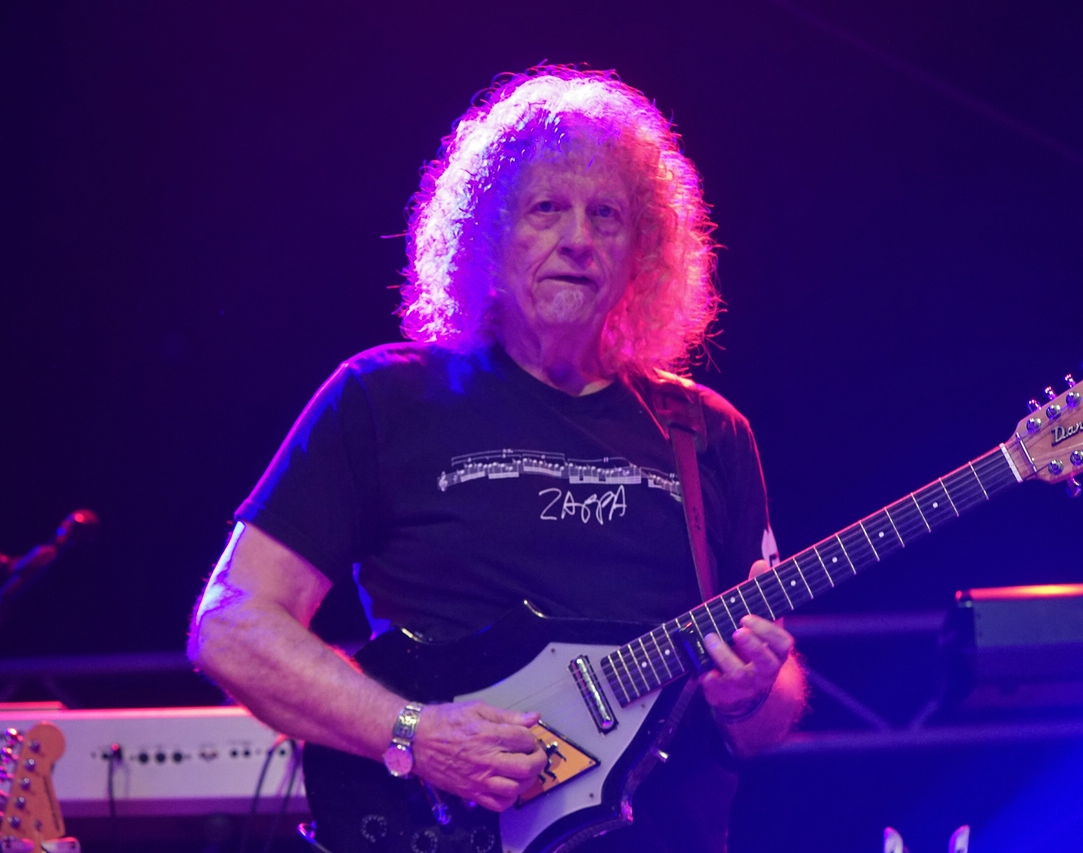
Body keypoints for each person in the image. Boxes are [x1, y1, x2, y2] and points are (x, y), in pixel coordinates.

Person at [188, 66, 806, 852]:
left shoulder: (706, 432)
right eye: (547, 208)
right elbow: (233, 623)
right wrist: (414, 732)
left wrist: (753, 693)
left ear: (642, 252)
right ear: (488, 233)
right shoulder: (385, 399)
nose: (578, 239)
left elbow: (766, 716)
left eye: (607, 214)